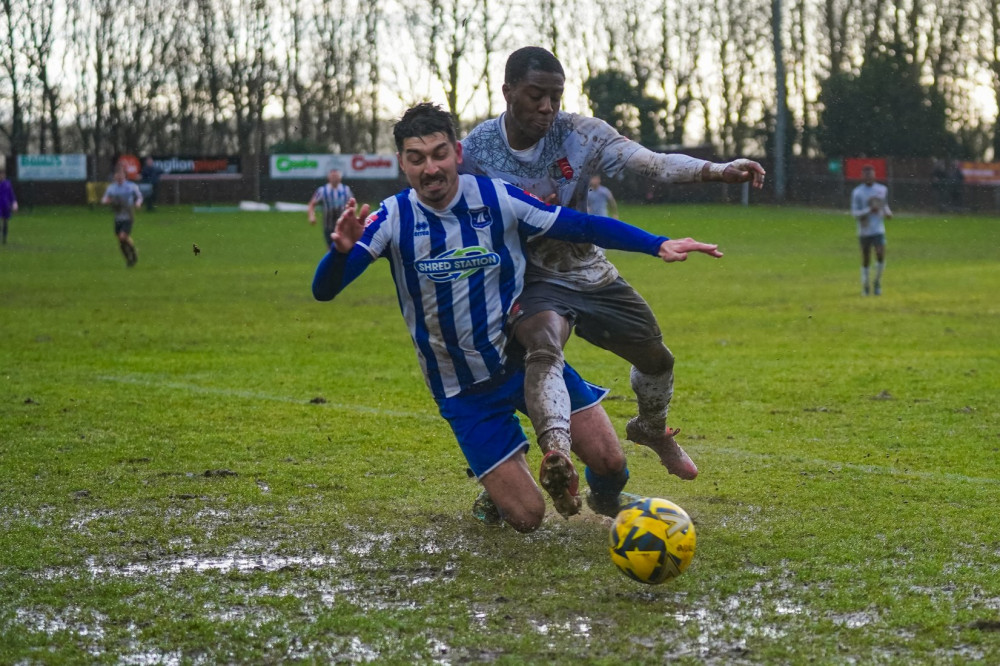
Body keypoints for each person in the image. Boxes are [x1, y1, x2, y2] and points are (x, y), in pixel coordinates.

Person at [312, 103, 725, 529]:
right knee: (528, 517)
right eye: (416, 158)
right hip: (462, 389)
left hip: (522, 363)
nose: (430, 168)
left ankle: (603, 498)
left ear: (456, 152)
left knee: (611, 461)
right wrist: (340, 254)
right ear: (402, 162)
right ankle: (498, 488)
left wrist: (656, 244)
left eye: (438, 154)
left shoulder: (496, 198)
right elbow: (324, 292)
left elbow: (577, 224)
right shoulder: (391, 217)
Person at [460, 46, 765, 489]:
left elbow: (653, 164)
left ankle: (650, 429)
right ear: (507, 92)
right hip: (531, 278)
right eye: (535, 95)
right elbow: (459, 219)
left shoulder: (580, 134)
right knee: (544, 346)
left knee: (657, 360)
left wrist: (717, 170)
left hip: (587, 267)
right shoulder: (477, 150)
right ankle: (557, 454)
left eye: (555, 96)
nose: (547, 107)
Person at [850, 165, 892, 296]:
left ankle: (877, 281)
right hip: (864, 230)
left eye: (871, 174)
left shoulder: (882, 189)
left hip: (878, 229)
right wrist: (869, 211)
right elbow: (855, 213)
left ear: (874, 175)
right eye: (866, 175)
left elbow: (884, 205)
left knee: (880, 254)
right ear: (862, 176)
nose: (868, 177)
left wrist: (888, 213)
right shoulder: (857, 192)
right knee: (866, 258)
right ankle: (866, 284)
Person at [101, 164, 144, 267]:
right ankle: (129, 259)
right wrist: (106, 201)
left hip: (128, 215)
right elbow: (104, 199)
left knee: (122, 237)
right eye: (117, 175)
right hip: (117, 216)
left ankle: (133, 254)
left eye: (121, 175)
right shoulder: (111, 188)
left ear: (125, 176)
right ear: (114, 177)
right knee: (121, 241)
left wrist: (138, 203)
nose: (119, 177)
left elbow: (139, 197)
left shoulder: (131, 186)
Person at [307, 169, 353, 247]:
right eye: (332, 176)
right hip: (328, 224)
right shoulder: (322, 190)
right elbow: (312, 204)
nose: (334, 178)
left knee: (344, 247)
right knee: (331, 248)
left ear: (340, 178)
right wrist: (311, 216)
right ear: (329, 178)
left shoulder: (346, 190)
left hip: (343, 224)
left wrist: (352, 217)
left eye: (336, 176)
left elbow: (352, 204)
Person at [0, 167, 17, 245]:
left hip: (5, 205)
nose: (1, 176)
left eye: (3, 174)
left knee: (5, 222)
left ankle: (4, 238)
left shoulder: (7, 184)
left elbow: (11, 194)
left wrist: (14, 203)